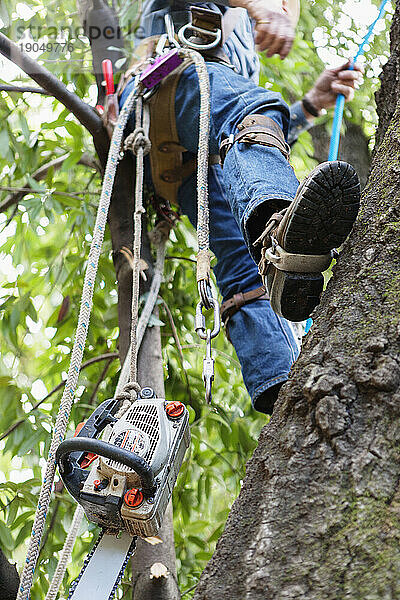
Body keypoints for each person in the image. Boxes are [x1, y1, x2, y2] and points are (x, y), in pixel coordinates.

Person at [119, 0, 362, 414]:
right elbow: (241, 112)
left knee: (247, 263)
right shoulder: (215, 18)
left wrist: (308, 107)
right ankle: (276, 223)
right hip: (166, 81)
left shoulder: (237, 45)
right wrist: (261, 5)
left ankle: (282, 387)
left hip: (179, 148)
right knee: (253, 111)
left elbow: (241, 132)